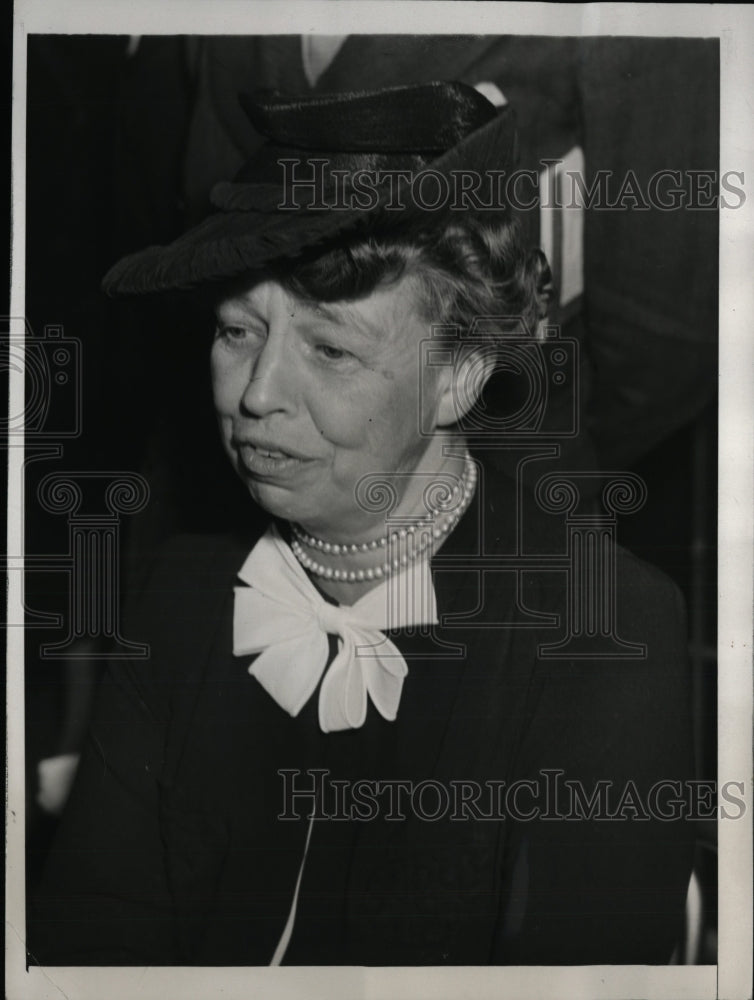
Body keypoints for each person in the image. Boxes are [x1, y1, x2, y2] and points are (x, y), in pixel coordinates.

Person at [28, 81, 695, 967]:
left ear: (457, 377)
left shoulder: (607, 637)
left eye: (330, 350)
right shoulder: (181, 584)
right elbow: (91, 947)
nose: (256, 395)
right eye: (238, 332)